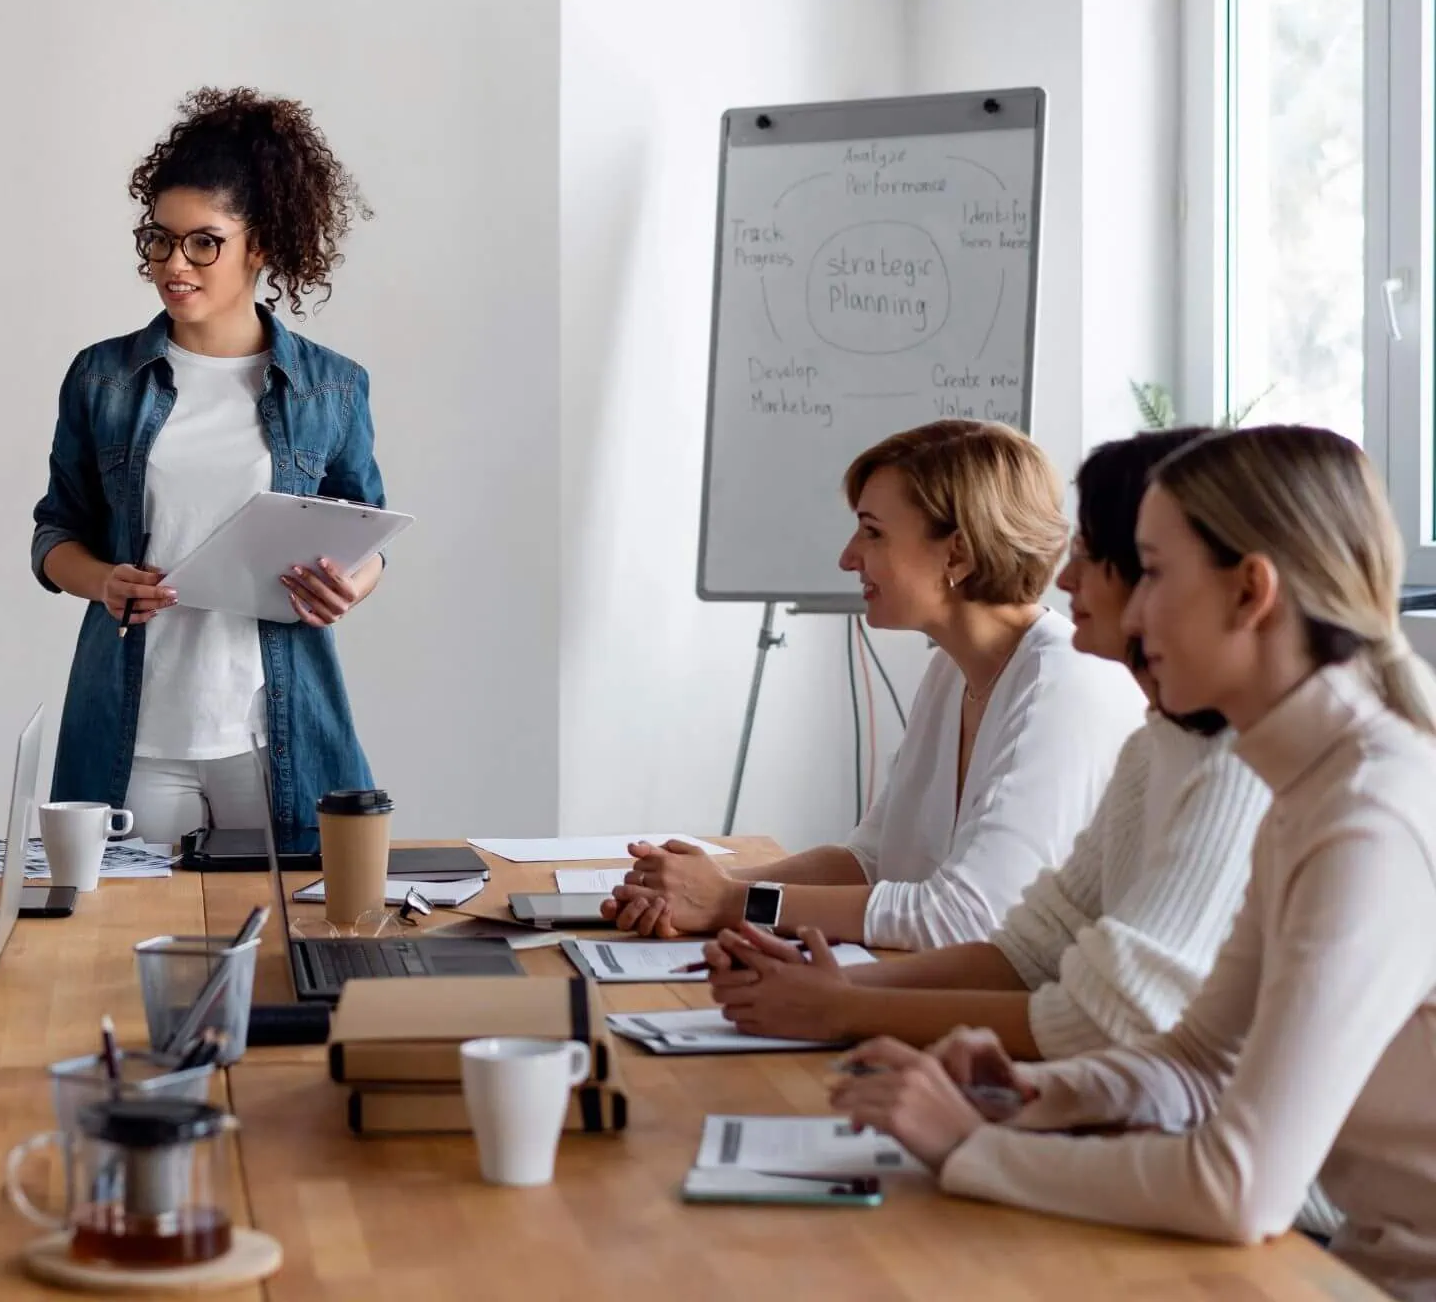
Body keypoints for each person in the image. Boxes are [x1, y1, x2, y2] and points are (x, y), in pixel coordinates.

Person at [831, 426, 1436, 1295]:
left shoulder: (1364, 815)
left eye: (1150, 573)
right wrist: (1031, 1096)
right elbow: (1194, 1058)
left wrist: (971, 1146)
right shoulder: (1311, 781)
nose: (1129, 609)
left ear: (1249, 593)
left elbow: (1238, 1187)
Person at [703, 429, 1269, 1058]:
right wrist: (818, 979)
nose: (1068, 576)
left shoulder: (1098, 696)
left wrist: (749, 914)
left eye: (872, 532)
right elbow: (1025, 946)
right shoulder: (1153, 739)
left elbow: (1078, 996)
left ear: (958, 556)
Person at [608, 419, 1141, 949]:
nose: (847, 557)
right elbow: (869, 860)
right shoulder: (951, 670)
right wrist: (703, 888)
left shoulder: (1062, 685)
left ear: (956, 554)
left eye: (873, 532)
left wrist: (731, 904)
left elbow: (969, 917)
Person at [31, 87, 385, 848]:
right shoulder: (103, 380)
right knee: (118, 952)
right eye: (159, 240)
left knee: (287, 952)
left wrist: (348, 584)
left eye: (203, 242)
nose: (173, 264)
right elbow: (55, 532)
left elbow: (368, 534)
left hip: (276, 729)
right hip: (139, 734)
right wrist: (103, 581)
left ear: (260, 246)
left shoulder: (332, 387)